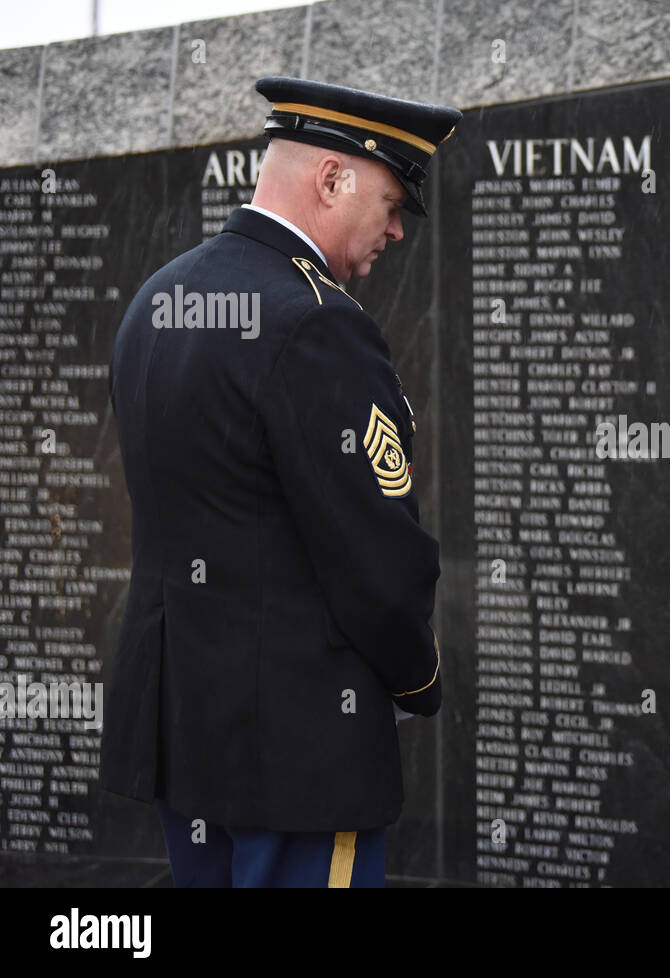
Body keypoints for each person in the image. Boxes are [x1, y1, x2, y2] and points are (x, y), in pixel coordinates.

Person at [99, 76, 461, 887]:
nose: (397, 230)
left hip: (185, 733)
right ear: (333, 180)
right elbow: (375, 554)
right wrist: (418, 676)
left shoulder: (159, 298)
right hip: (298, 746)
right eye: (394, 202)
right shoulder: (316, 320)